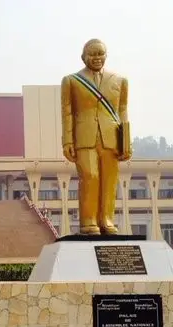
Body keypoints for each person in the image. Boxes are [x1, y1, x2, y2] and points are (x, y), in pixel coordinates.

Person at [60, 38, 132, 235]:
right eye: (93, 54)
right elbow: (66, 112)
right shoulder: (71, 81)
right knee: (90, 177)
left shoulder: (120, 81)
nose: (97, 58)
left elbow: (123, 111)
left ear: (106, 55)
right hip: (84, 137)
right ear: (84, 57)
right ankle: (89, 221)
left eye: (101, 54)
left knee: (109, 179)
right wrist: (67, 140)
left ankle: (107, 220)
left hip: (111, 137)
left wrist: (126, 141)